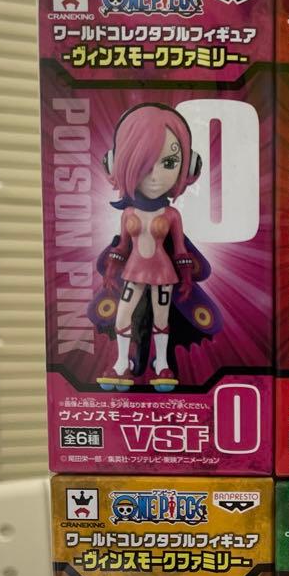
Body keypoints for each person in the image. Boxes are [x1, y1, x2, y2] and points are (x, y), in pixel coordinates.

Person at [88, 102, 220, 392]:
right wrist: (111, 269)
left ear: (188, 166)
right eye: (143, 163)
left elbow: (181, 251)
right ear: (118, 162)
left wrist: (187, 278)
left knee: (162, 318)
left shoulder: (171, 215)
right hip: (133, 272)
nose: (155, 176)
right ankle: (121, 363)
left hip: (163, 274)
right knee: (122, 315)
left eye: (169, 163)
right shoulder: (128, 213)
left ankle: (161, 363)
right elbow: (123, 246)